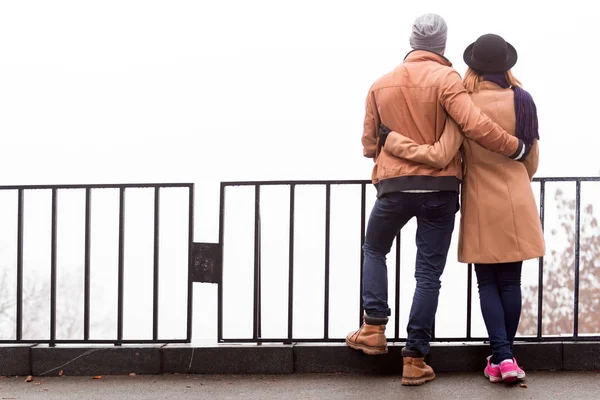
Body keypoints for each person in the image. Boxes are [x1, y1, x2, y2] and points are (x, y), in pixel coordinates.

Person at [345, 14, 529, 387]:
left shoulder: (380, 84)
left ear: (413, 42)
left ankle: (374, 328)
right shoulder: (448, 80)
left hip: (394, 189)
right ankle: (414, 358)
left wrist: (399, 145)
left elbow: (369, 146)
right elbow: (474, 125)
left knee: (374, 249)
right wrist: (515, 147)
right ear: (443, 46)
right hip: (440, 191)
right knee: (427, 274)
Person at [382, 33, 545, 383]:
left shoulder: (465, 103)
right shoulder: (524, 100)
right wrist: (515, 179)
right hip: (517, 197)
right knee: (511, 281)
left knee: (487, 282)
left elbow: (444, 153)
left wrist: (392, 141)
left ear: (473, 66)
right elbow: (532, 161)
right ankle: (506, 359)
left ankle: (501, 357)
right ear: (507, 66)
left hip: (480, 199)